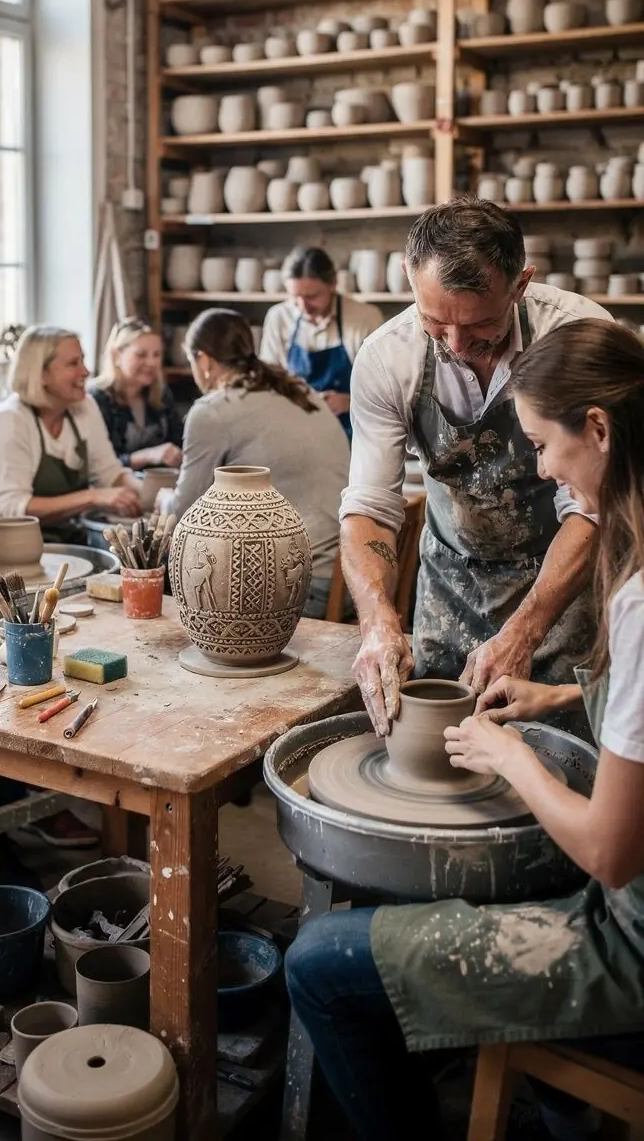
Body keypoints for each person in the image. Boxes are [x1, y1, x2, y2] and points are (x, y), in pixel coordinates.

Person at [285, 317, 644, 1141]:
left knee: (319, 964)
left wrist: (509, 755)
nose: (543, 469)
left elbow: (610, 853)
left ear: (599, 429)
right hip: (462, 601)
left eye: (544, 447)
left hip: (631, 953)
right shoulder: (393, 359)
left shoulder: (635, 599)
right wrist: (559, 702)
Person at [341, 199, 609, 737]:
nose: (457, 345)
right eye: (434, 321)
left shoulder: (575, 338)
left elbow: (591, 505)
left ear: (521, 283)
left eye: (482, 323)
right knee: (439, 746)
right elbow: (371, 505)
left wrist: (526, 631)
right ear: (406, 277)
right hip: (452, 581)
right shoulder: (385, 358)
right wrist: (377, 621)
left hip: (564, 584)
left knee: (560, 759)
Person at [174, 309, 349, 618]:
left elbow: (183, 518)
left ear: (204, 360)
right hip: (352, 577)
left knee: (181, 576)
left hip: (304, 588)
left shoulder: (213, 411)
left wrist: (161, 502)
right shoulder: (298, 390)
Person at [0, 325, 141, 542]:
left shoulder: (84, 407)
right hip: (1, 547)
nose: (86, 372)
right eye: (73, 363)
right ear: (41, 373)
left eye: (83, 360)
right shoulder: (9, 421)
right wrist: (93, 497)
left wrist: (153, 493)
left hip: (58, 540)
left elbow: (108, 473)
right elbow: (11, 508)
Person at [260, 246, 383, 438]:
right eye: (295, 297)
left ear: (332, 284)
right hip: (294, 430)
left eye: (311, 297)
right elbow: (267, 383)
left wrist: (349, 402)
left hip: (352, 433)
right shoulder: (279, 318)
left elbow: (384, 392)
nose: (303, 306)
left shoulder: (364, 318)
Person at [91, 316, 184, 470]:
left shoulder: (161, 395)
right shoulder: (96, 399)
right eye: (141, 354)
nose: (152, 363)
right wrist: (146, 456)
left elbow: (179, 442)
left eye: (157, 354)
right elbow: (95, 468)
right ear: (116, 356)